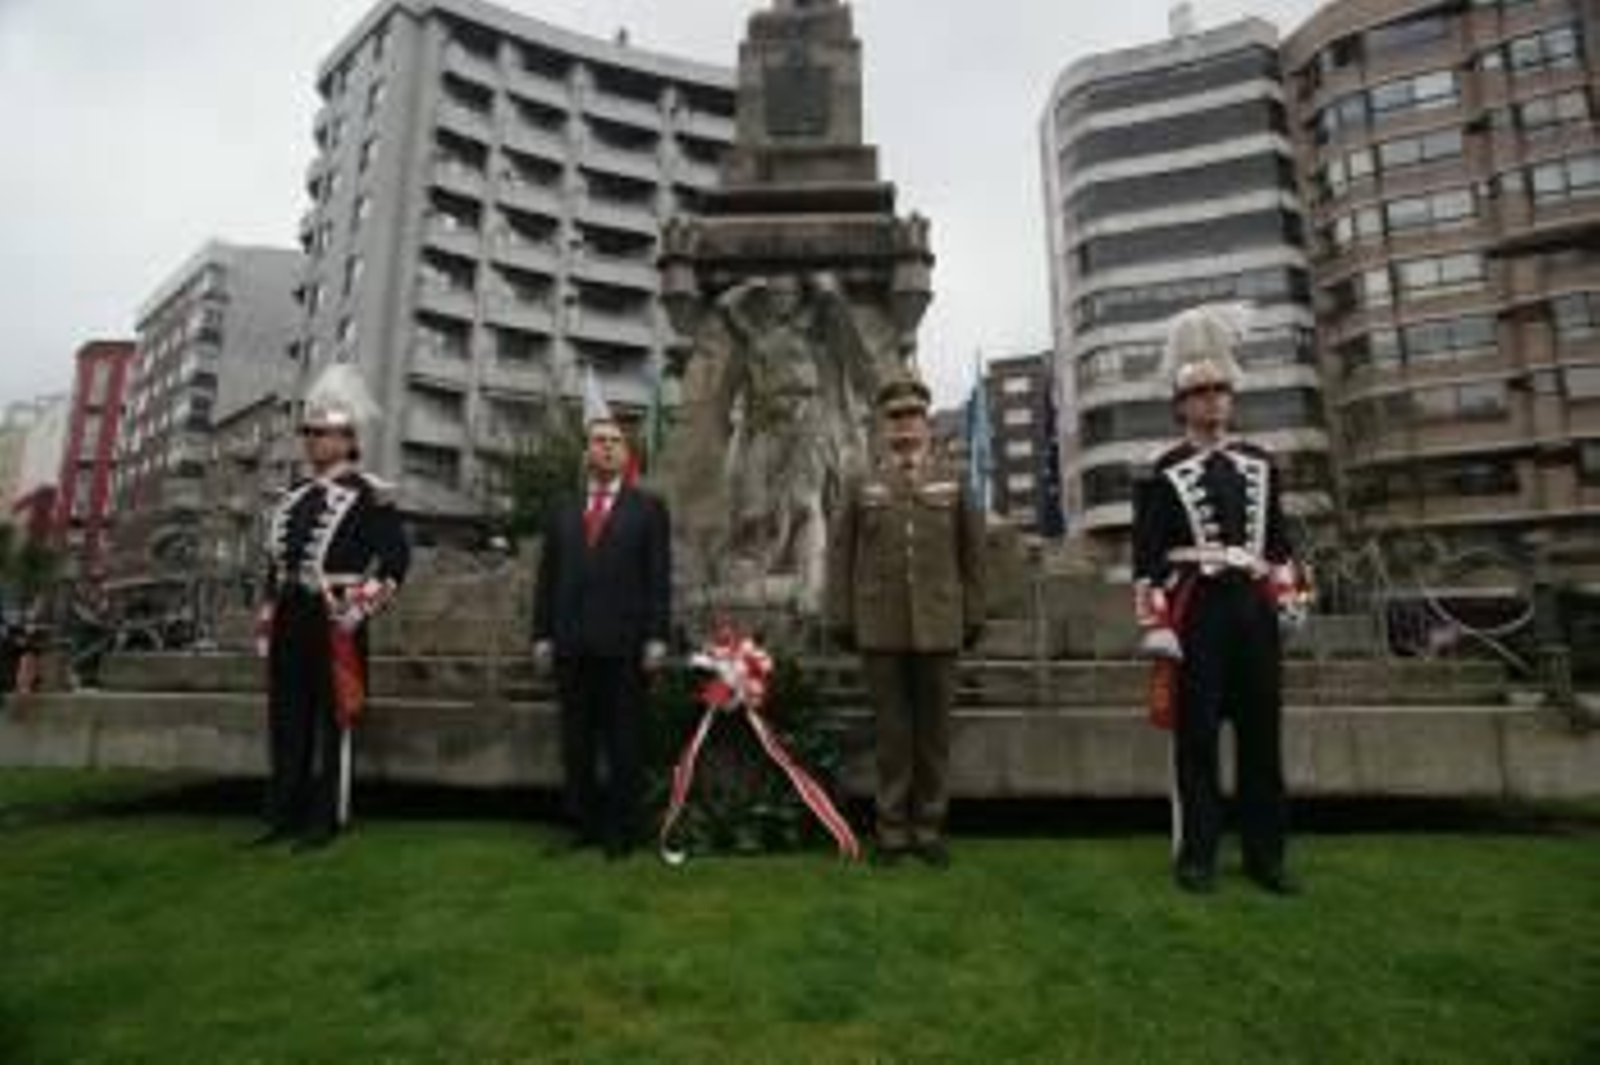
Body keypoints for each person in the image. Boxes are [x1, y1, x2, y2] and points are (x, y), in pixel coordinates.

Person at [1132, 304, 1305, 896]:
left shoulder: (1261, 464)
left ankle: (1267, 855)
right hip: (1197, 611)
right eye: (1201, 392)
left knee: (1263, 737)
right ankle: (1198, 854)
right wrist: (1156, 622)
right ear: (1182, 404)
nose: (1212, 402)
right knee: (1197, 739)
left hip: (1253, 611)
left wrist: (1291, 599)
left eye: (1220, 391)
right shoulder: (1160, 471)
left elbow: (1280, 542)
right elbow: (1147, 558)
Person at [827, 369, 985, 868]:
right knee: (892, 734)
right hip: (881, 626)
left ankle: (929, 826)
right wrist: (841, 615)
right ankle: (892, 830)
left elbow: (973, 553)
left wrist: (972, 613)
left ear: (927, 422)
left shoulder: (954, 479)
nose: (904, 427)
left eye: (913, 416)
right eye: (895, 418)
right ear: (882, 424)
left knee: (935, 733)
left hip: (940, 623)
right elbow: (840, 554)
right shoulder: (861, 481)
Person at [254, 364, 410, 852]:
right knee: (287, 717)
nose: (312, 441)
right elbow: (272, 567)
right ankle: (285, 812)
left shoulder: (371, 494)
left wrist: (360, 607)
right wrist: (265, 621)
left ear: (348, 440)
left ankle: (326, 817)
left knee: (334, 719)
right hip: (290, 618)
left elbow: (396, 562)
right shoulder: (292, 497)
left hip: (336, 619)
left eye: (322, 433)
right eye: (309, 432)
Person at [532, 409, 672, 859]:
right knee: (576, 741)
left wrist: (656, 637)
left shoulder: (648, 509)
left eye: (615, 441)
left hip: (625, 646)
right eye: (599, 440)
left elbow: (659, 578)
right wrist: (542, 635)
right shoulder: (562, 509)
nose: (607, 447)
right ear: (587, 451)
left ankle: (621, 830)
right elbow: (547, 578)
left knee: (623, 741)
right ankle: (581, 825)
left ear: (625, 454)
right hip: (571, 645)